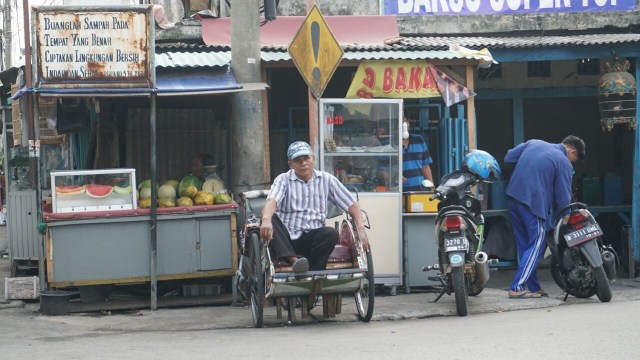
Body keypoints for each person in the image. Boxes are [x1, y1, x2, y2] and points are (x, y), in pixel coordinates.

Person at [259, 141, 370, 273]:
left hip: (312, 241)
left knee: (330, 233)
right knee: (268, 217)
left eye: (306, 158)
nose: (303, 163)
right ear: (290, 164)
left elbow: (351, 204)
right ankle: (294, 261)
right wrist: (266, 220)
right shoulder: (283, 180)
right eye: (298, 160)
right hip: (287, 239)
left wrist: (361, 230)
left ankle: (314, 273)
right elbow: (272, 201)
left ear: (313, 158)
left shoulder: (327, 179)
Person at [504, 135, 585, 299]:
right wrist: (566, 215)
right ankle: (517, 286)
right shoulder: (563, 161)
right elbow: (563, 194)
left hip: (513, 197)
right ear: (572, 151)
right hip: (532, 203)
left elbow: (509, 157)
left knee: (525, 245)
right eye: (573, 159)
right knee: (538, 243)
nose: (571, 163)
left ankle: (533, 287)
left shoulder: (534, 143)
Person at [402, 118, 434, 191]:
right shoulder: (390, 144)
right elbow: (383, 172)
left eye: (404, 122)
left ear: (408, 123)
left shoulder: (419, 139)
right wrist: (395, 176)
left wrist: (432, 188)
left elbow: (425, 166)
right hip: (399, 193)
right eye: (399, 122)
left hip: (419, 190)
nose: (403, 125)